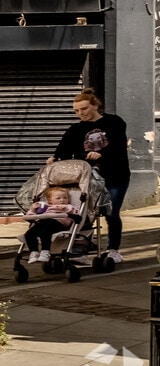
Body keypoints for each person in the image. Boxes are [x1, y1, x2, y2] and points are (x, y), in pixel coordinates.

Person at [54, 89, 129, 264]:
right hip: (87, 178)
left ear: (95, 106)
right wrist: (54, 159)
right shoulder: (76, 129)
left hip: (115, 175)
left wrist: (101, 154)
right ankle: (82, 248)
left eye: (84, 109)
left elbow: (119, 146)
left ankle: (114, 250)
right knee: (84, 213)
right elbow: (63, 148)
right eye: (76, 111)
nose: (81, 114)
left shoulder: (114, 122)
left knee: (111, 212)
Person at [19, 183, 79, 262]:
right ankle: (34, 252)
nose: (62, 200)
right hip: (43, 222)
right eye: (58, 198)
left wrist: (60, 208)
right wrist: (33, 209)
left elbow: (74, 212)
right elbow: (31, 216)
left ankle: (45, 252)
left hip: (58, 223)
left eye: (65, 198)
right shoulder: (45, 207)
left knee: (45, 230)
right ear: (50, 200)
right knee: (29, 234)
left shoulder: (68, 207)